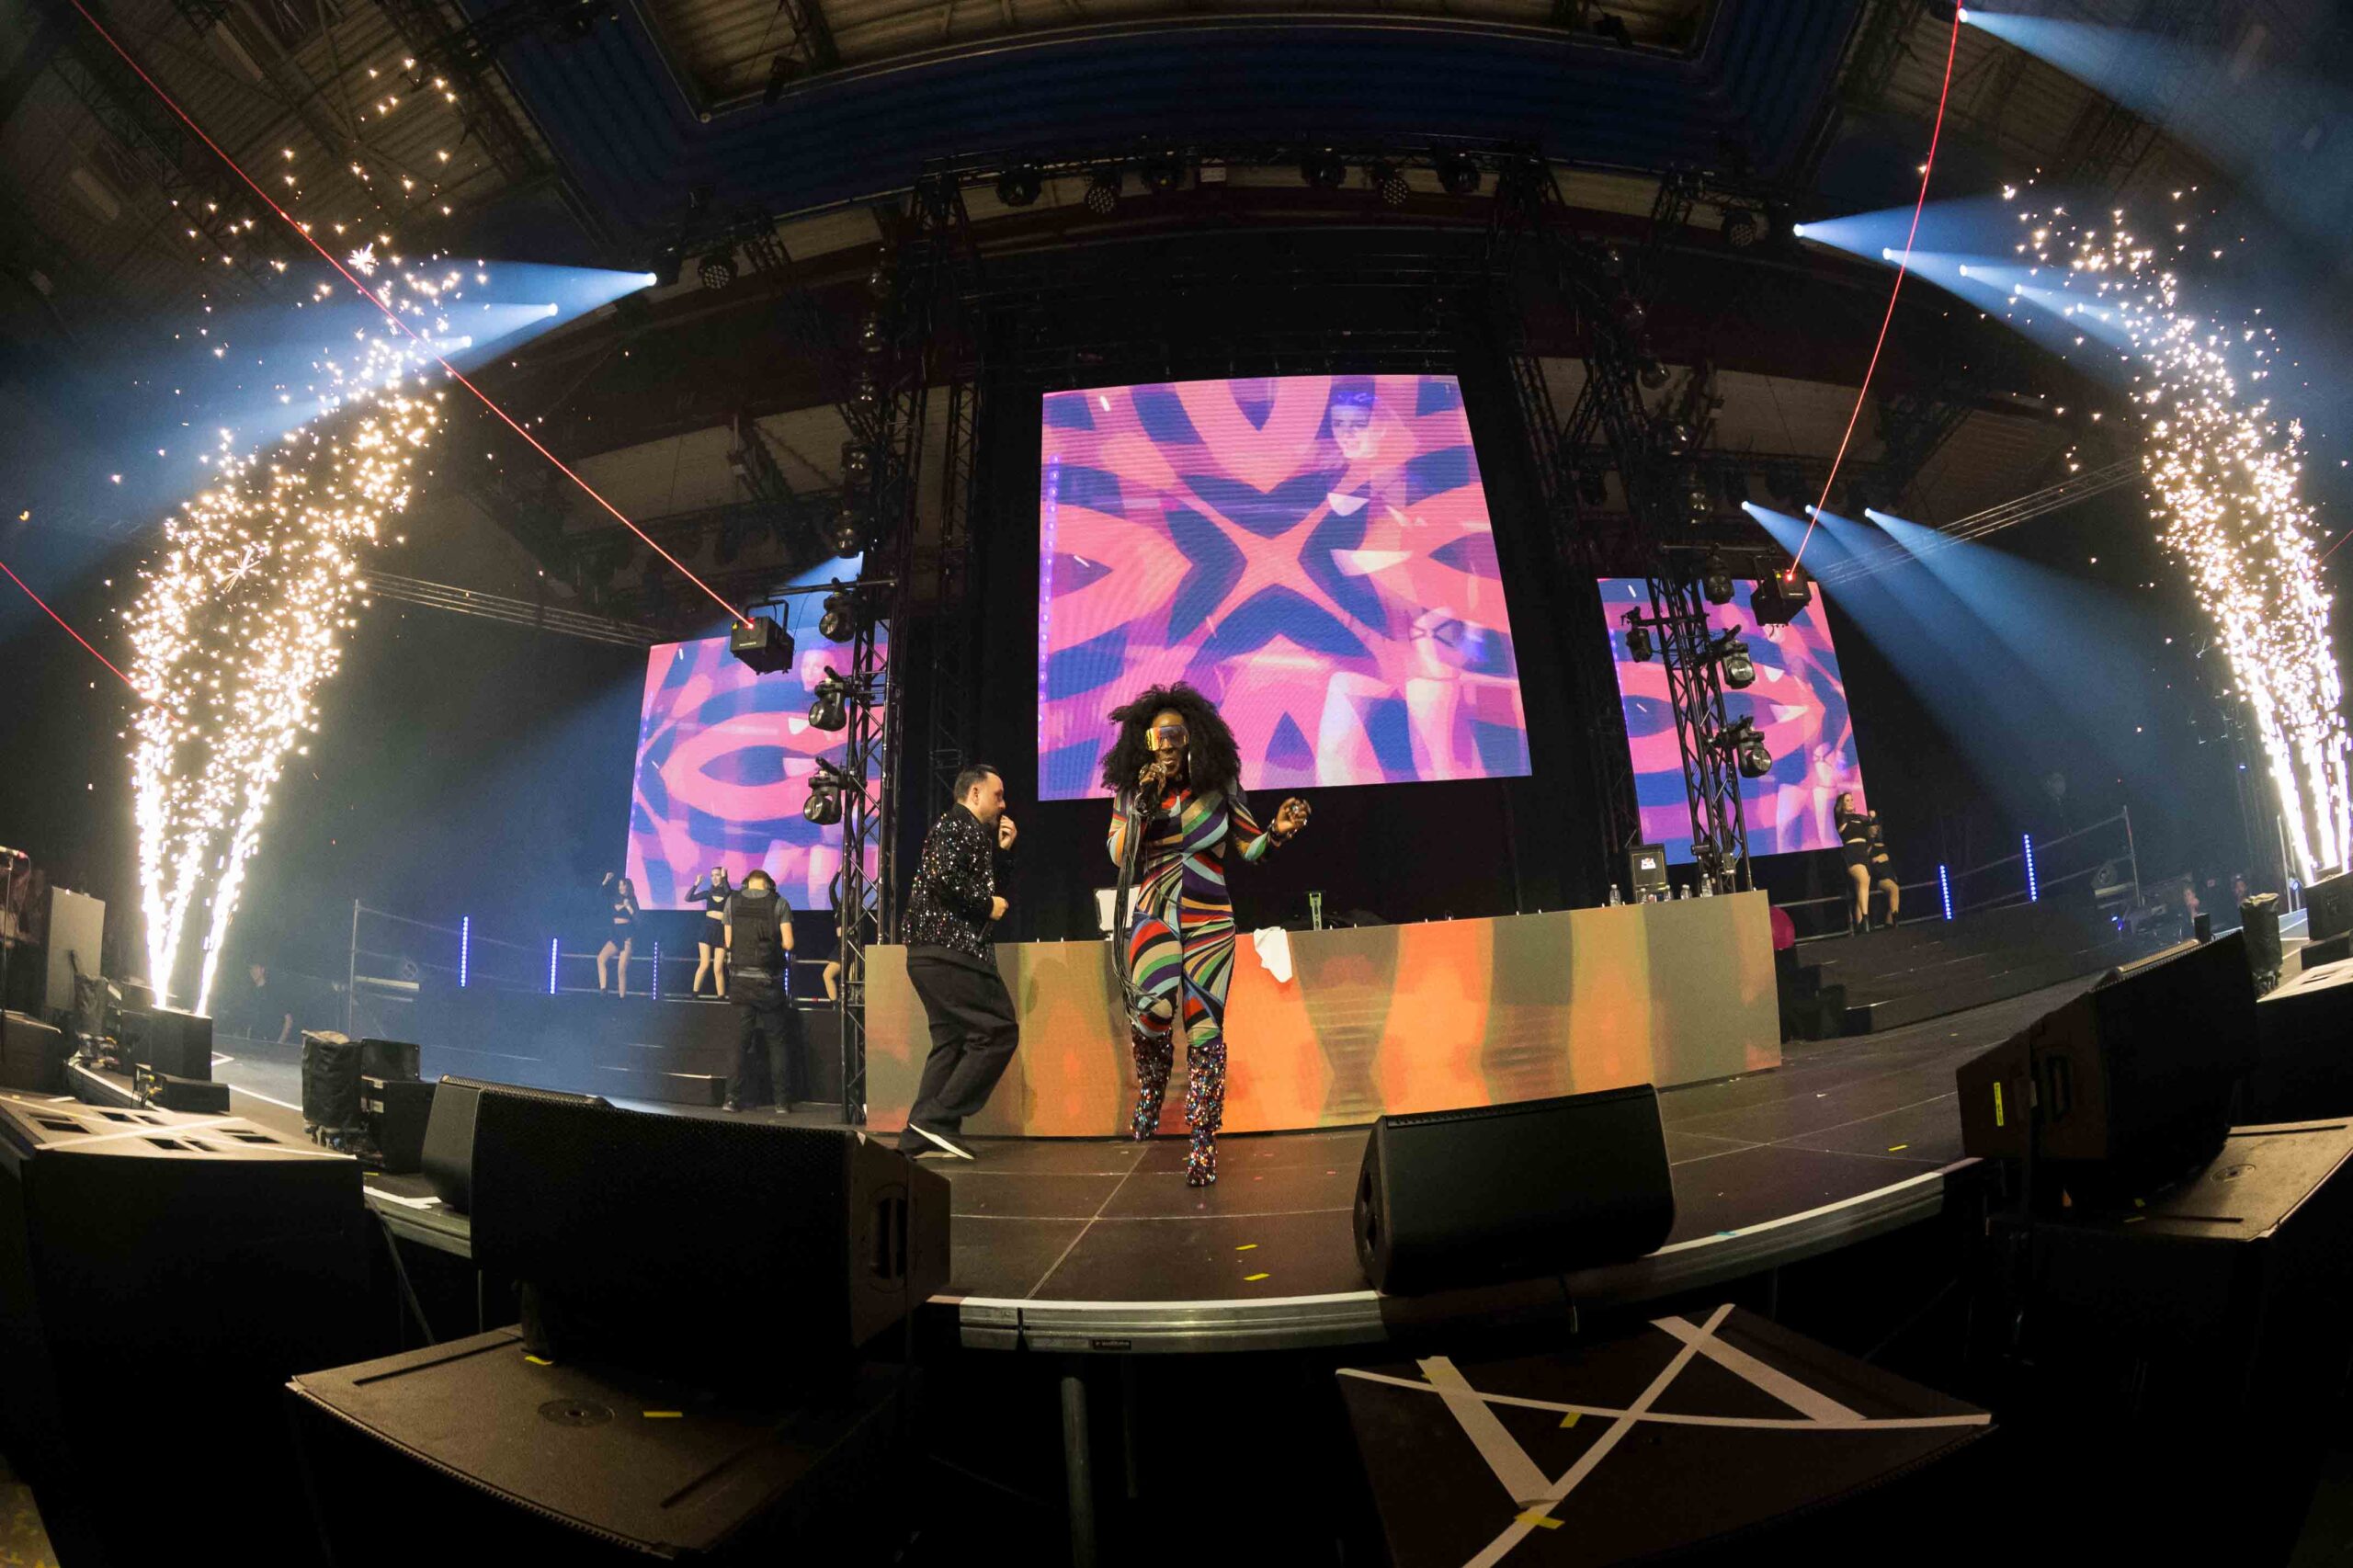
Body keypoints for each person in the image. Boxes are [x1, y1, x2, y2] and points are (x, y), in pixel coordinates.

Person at [1106, 684, 1311, 1186]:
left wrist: (1277, 832)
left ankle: (1202, 1142)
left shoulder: (1220, 789)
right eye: (1157, 738)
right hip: (1155, 911)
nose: (1167, 747)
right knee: (1153, 1011)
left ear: (1194, 738)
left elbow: (1250, 848)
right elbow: (1117, 853)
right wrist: (1143, 806)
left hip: (1211, 919)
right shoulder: (1134, 793)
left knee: (1205, 1031)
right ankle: (1152, 1084)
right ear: (1144, 744)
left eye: (1175, 736)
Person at [897, 765, 1019, 1162]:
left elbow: (987, 888)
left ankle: (918, 1136)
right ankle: (936, 1119)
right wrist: (986, 905)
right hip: (949, 951)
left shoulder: (971, 833)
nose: (1003, 804)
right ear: (975, 793)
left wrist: (1002, 853)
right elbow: (944, 878)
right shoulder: (955, 826)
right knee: (998, 1031)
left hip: (934, 953)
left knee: (950, 1040)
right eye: (998, 795)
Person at [722, 869, 801, 1113]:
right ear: (768, 885)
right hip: (769, 983)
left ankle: (731, 1100)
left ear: (747, 883)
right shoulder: (780, 903)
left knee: (739, 1044)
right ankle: (781, 1103)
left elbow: (727, 942)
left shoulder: (732, 901)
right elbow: (789, 943)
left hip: (740, 981)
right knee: (777, 1043)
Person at [687, 866, 733, 999]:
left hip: (721, 931)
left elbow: (729, 894)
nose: (714, 878)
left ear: (722, 876)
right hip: (707, 929)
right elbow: (688, 898)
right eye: (712, 875)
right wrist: (696, 884)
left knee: (718, 968)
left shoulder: (728, 893)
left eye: (717, 875)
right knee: (704, 964)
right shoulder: (708, 893)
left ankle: (721, 997)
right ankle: (695, 993)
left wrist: (725, 878)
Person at [1835, 792, 1873, 933]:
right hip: (1852, 853)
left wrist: (1871, 816)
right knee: (1863, 880)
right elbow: (1864, 819)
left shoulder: (1857, 817)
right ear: (1842, 804)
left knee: (1862, 888)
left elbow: (1869, 820)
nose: (1851, 802)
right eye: (1847, 800)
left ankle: (1860, 924)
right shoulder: (1841, 818)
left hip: (1863, 853)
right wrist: (1868, 818)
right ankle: (1866, 919)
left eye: (1852, 800)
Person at [597, 872, 639, 996]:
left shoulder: (633, 901)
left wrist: (629, 908)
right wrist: (605, 881)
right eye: (620, 885)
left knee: (621, 970)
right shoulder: (615, 898)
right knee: (600, 959)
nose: (621, 887)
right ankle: (603, 990)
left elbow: (638, 920)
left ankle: (622, 998)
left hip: (627, 936)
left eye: (623, 885)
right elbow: (599, 897)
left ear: (628, 887)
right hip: (615, 935)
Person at [234, 960, 294, 1044]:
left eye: (256, 968)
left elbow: (288, 1019)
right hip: (253, 1042)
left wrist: (280, 1043)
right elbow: (247, 1020)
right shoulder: (250, 993)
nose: (253, 971)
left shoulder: (274, 992)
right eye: (251, 969)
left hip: (270, 1042)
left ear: (262, 970)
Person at [1866, 811, 1900, 927]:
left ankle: (1890, 921)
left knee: (1894, 891)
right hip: (1878, 878)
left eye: (1877, 826)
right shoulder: (1867, 844)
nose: (1876, 828)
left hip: (1888, 875)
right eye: (1873, 826)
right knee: (1894, 889)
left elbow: (1888, 861)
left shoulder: (1882, 843)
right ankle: (1894, 920)